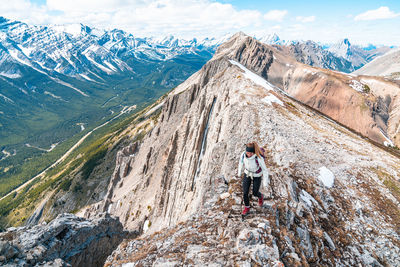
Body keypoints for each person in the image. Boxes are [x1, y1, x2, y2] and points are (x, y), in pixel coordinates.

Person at [237, 142, 269, 216]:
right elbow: (241, 163)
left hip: (257, 174)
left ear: (253, 152)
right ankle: (247, 207)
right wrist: (239, 172)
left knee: (255, 192)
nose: (248, 154)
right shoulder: (243, 155)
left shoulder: (258, 158)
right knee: (245, 193)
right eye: (247, 152)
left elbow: (265, 170)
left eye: (250, 153)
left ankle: (260, 196)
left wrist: (265, 183)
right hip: (247, 173)